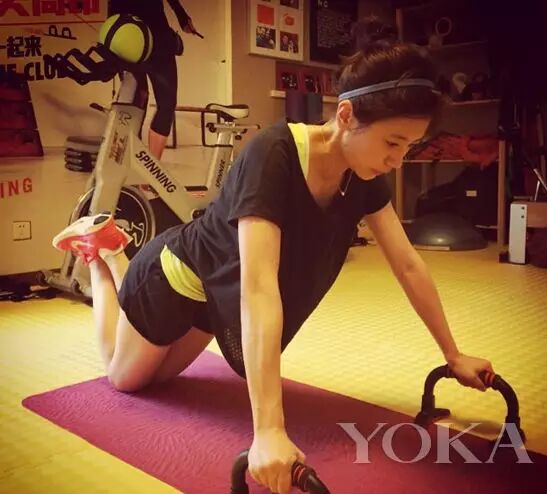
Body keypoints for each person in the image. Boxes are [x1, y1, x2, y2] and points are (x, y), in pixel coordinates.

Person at [53, 17, 494, 494]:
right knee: (125, 379)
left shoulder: (362, 174)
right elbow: (259, 288)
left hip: (215, 295)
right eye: (392, 143)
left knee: (160, 378)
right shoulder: (274, 154)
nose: (397, 160)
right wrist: (268, 431)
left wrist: (453, 354)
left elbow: (407, 263)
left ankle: (114, 258)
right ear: (346, 115)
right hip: (173, 277)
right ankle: (104, 255)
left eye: (408, 147)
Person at [108, 0, 199, 159]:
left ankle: (150, 166)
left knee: (165, 104)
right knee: (136, 100)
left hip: (155, 41)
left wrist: (183, 17)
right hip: (130, 40)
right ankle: (128, 160)